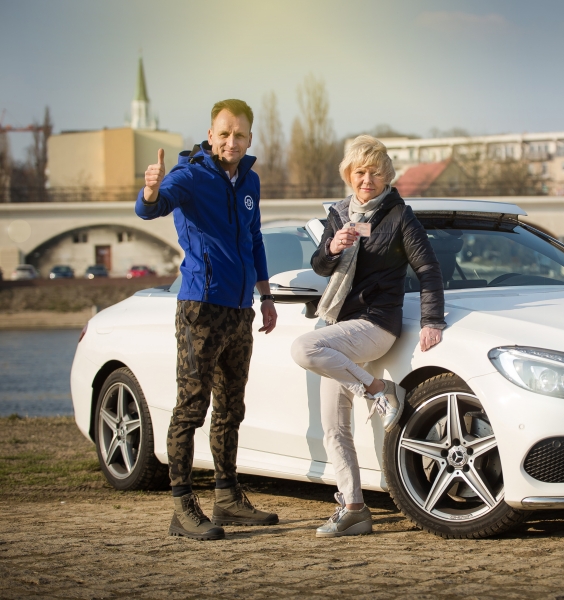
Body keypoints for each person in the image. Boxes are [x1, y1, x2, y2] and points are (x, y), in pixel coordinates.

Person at [135, 99, 279, 541]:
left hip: (240, 310)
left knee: (231, 408)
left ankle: (227, 497)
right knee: (191, 407)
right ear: (211, 135)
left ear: (249, 139)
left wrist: (266, 296)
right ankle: (182, 506)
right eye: (224, 133)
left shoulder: (250, 180)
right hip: (200, 308)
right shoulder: (190, 175)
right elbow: (151, 209)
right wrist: (150, 191)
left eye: (240, 134)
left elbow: (254, 239)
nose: (232, 141)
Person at [291, 135, 445, 538]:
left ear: (386, 176)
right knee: (333, 426)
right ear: (349, 174)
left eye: (375, 173)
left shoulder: (399, 216)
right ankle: (354, 509)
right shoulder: (340, 214)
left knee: (304, 347)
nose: (366, 180)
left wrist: (432, 320)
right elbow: (320, 266)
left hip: (376, 323)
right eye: (359, 172)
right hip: (338, 325)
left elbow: (428, 269)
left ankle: (380, 390)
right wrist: (332, 247)